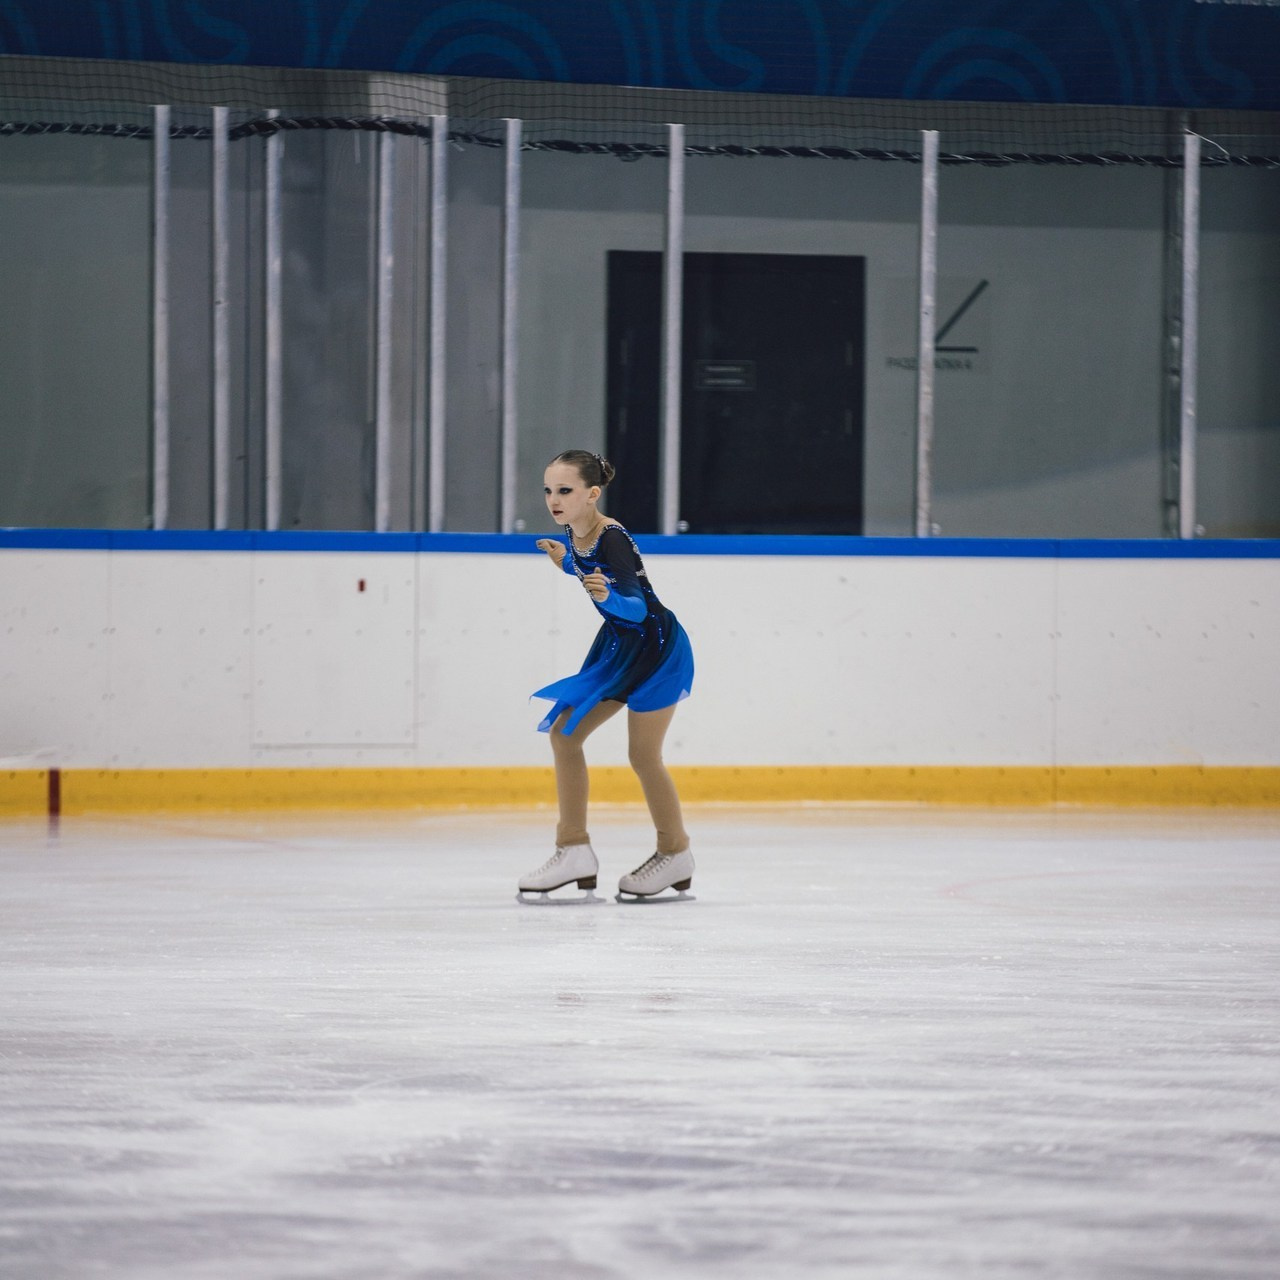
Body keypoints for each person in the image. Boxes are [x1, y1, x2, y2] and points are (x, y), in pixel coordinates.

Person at [517, 450, 695, 902]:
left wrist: (609, 598)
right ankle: (573, 848)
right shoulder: (576, 530)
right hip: (621, 649)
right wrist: (565, 561)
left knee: (643, 755)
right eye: (548, 490)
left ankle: (675, 852)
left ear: (591, 493)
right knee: (565, 732)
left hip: (655, 649)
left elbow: (635, 604)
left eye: (564, 491)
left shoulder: (612, 536)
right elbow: (587, 567)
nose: (553, 500)